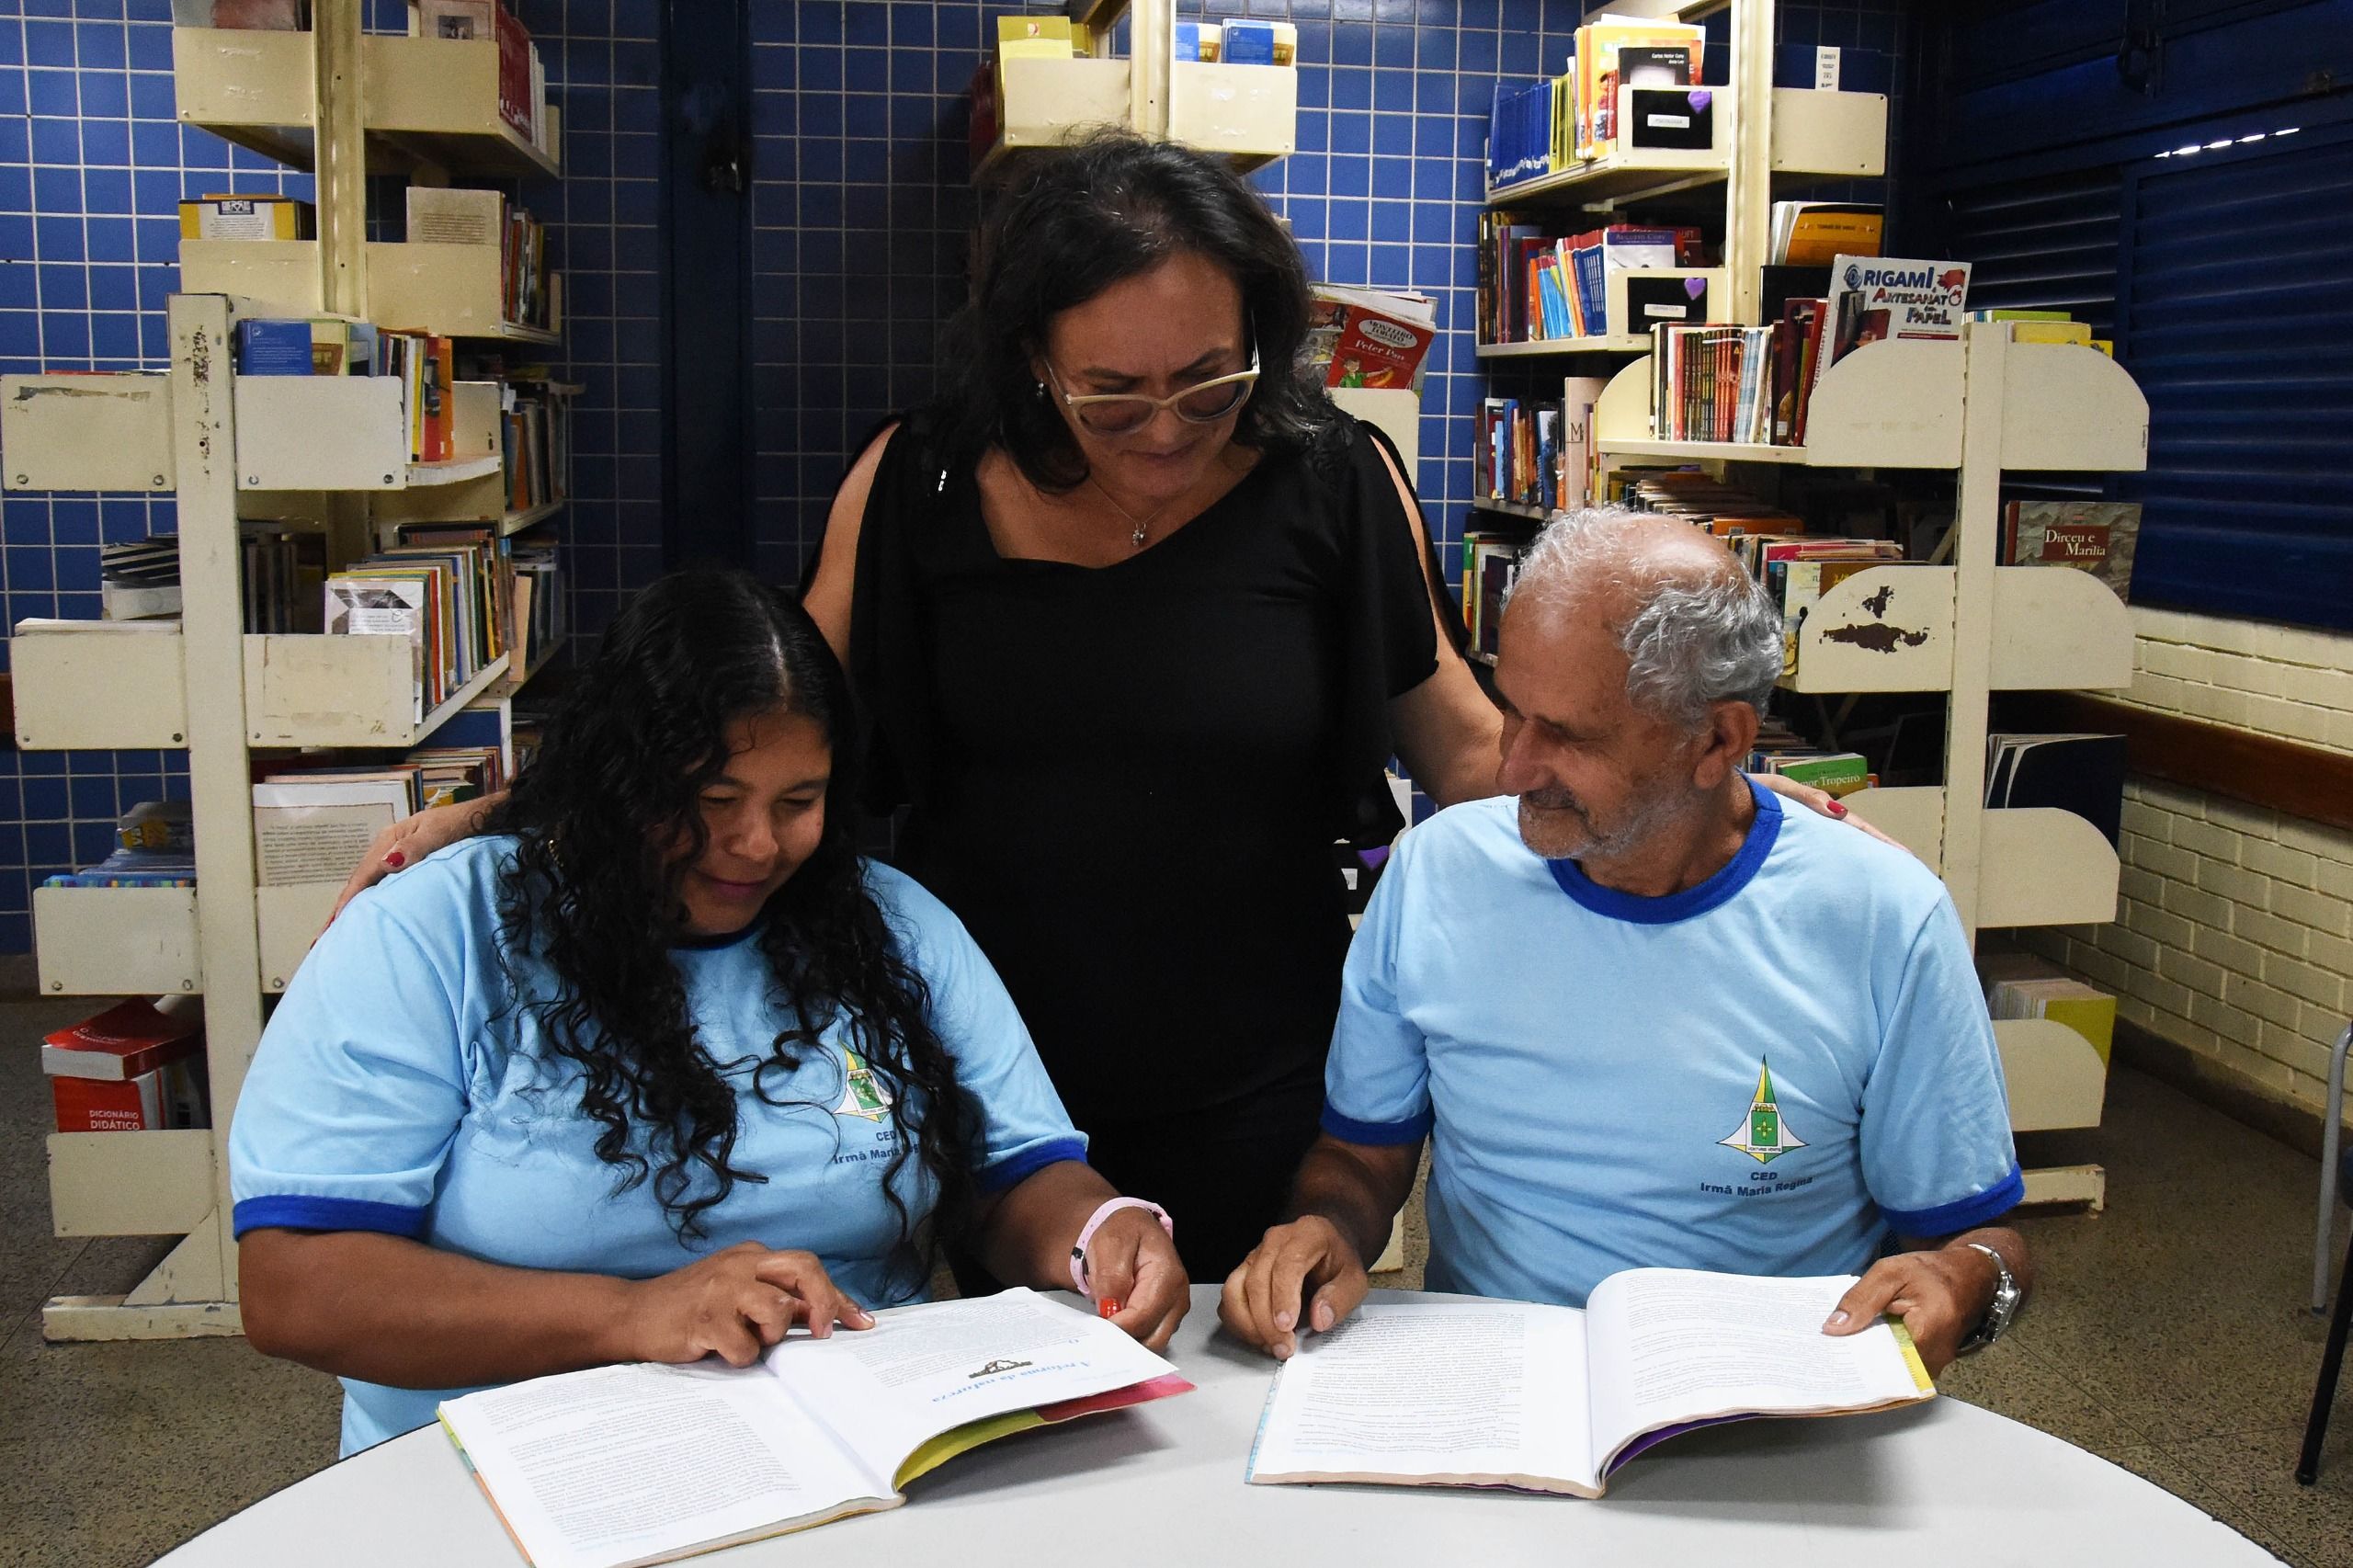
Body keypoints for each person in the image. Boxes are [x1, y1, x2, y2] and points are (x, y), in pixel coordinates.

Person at [335, 132, 1870, 1279]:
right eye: (1109, 394)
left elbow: (1465, 743)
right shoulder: (920, 480)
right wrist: (508, 806)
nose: (1164, 433)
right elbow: (755, 720)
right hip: (955, 1062)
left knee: (1225, 1431)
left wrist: (1713, 804)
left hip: (1253, 1064)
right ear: (1027, 361)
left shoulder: (1334, 484)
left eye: (1208, 384)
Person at [231, 571, 1188, 1457]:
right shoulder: (435, 933)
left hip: (845, 1442)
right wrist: (631, 1312)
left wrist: (1095, 1226)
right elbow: (296, 1287)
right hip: (508, 1454)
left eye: (799, 800)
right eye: (710, 797)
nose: (756, 843)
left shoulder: (889, 927)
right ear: (617, 780)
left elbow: (1015, 1170)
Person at [1220, 509, 2031, 1374]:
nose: (1513, 768)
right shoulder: (1437, 876)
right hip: (1498, 1388)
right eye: (1510, 709)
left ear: (1719, 740)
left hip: (1765, 1400)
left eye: (1567, 735)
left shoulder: (1884, 919)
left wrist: (1968, 1280)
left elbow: (1977, 1239)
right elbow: (1359, 1157)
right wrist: (1326, 1228)